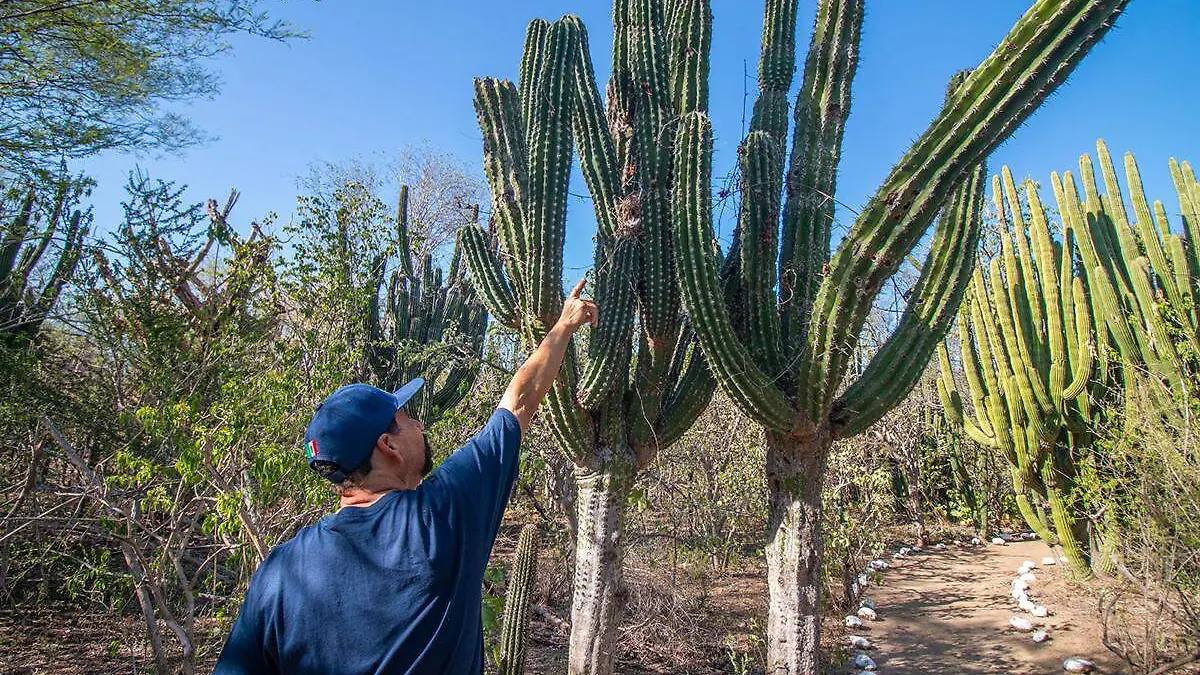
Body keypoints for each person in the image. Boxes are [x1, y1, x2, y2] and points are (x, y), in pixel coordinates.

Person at [214, 279, 598, 674]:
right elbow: (518, 403)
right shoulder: (440, 518)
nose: (417, 422)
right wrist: (564, 325)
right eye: (405, 417)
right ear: (388, 446)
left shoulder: (279, 571)